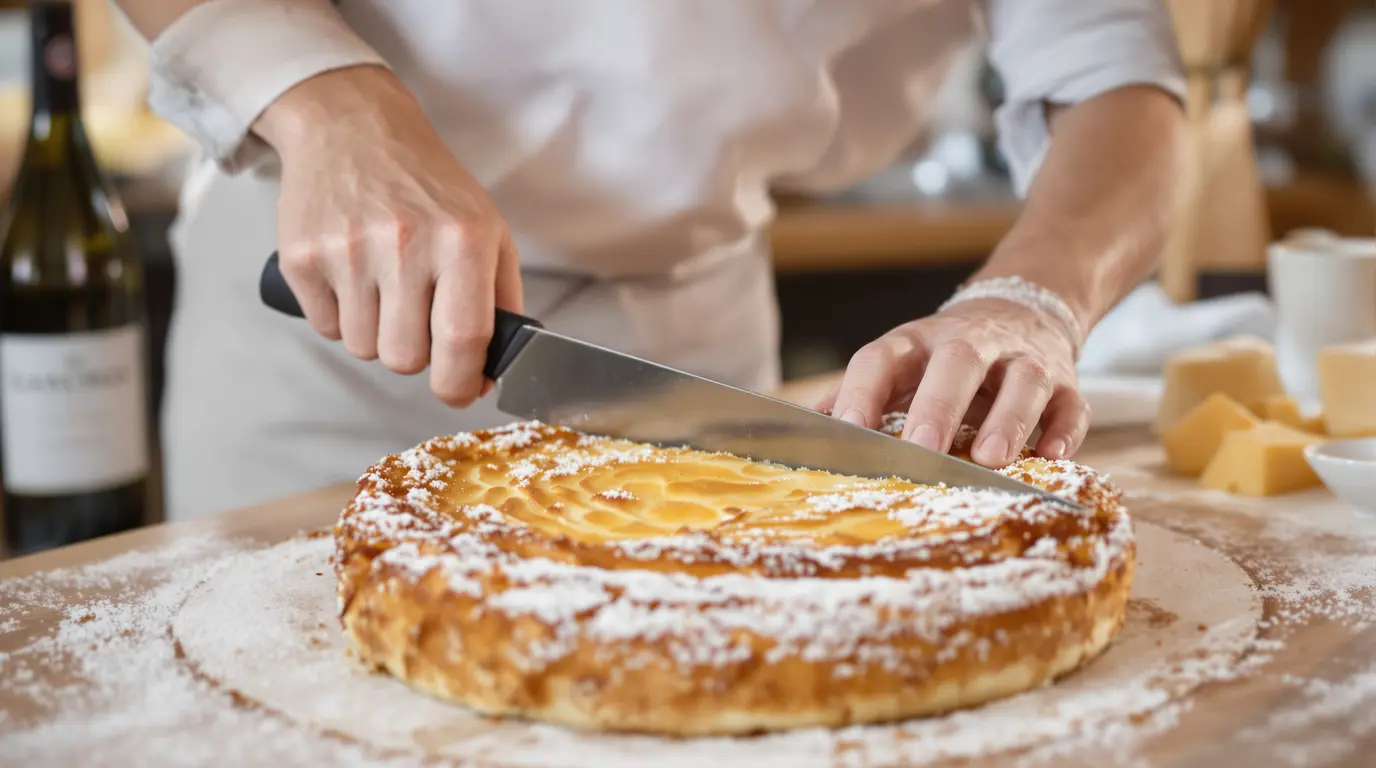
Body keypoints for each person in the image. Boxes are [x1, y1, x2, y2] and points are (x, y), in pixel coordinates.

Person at [113, 0, 1187, 521]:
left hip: (689, 347)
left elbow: (1116, 80)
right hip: (328, 310)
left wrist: (1025, 303)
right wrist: (332, 106)